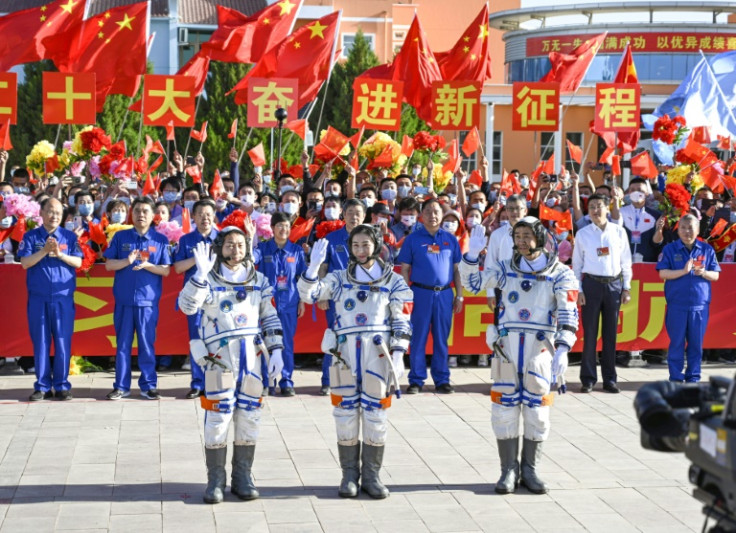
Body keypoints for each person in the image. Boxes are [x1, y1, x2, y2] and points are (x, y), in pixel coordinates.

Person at [460, 218, 578, 494]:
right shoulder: (504, 269)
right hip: (507, 347)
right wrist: (471, 256)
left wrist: (563, 348)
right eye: (517, 236)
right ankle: (508, 471)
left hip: (539, 349)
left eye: (527, 235)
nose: (521, 240)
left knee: (537, 411)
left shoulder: (560, 273)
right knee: (504, 410)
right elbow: (473, 285)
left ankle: (531, 470)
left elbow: (569, 312)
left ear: (539, 236)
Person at [298, 225, 412, 499]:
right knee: (345, 415)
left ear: (376, 245)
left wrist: (398, 354)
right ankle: (348, 476)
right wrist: (313, 269)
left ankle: (372, 476)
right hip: (345, 355)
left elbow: (402, 317)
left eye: (366, 244)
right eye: (356, 245)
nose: (361, 250)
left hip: (377, 353)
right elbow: (310, 294)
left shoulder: (393, 280)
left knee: (376, 415)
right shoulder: (338, 278)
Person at [178, 227, 283, 504]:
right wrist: (199, 275)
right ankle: (215, 480)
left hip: (251, 359)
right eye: (228, 245)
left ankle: (243, 477)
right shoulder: (208, 279)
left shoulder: (258, 280)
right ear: (219, 248)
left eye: (239, 245)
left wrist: (277, 351)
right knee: (218, 416)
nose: (234, 250)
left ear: (247, 248)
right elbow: (187, 307)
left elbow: (269, 316)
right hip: (219, 362)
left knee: (249, 416)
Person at [104, 197, 171, 400]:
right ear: (131, 214)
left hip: (147, 303)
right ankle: (121, 386)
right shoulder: (120, 237)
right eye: (137, 211)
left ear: (153, 216)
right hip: (124, 301)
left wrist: (147, 265)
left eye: (145, 211)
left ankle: (149, 385)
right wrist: (127, 261)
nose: (141, 215)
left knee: (146, 344)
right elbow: (108, 265)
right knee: (122, 345)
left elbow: (166, 271)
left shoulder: (160, 241)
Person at [18, 198, 83, 401]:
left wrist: (60, 254)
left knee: (63, 341)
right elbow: (25, 263)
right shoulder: (30, 237)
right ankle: (42, 386)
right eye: (50, 211)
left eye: (58, 212)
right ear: (42, 213)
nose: (54, 216)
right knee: (41, 342)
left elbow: (78, 261)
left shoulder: (70, 237)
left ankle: (62, 385)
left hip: (63, 298)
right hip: (39, 298)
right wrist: (44, 251)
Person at [397, 198, 463, 394]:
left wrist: (459, 295)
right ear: (421, 216)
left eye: (436, 212)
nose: (433, 216)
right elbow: (405, 269)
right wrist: (406, 295)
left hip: (444, 294)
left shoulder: (450, 239)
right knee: (418, 338)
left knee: (441, 339)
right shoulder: (413, 239)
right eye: (428, 212)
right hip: (420, 293)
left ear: (442, 215)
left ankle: (442, 379)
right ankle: (416, 379)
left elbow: (457, 270)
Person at [572, 194, 632, 394]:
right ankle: (588, 379)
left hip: (614, 286)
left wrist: (626, 287)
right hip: (591, 285)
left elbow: (626, 261)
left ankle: (610, 379)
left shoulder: (618, 232)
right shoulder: (583, 234)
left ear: (608, 208)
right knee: (589, 334)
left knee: (610, 334)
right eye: (592, 207)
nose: (596, 210)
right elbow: (577, 265)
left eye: (599, 206)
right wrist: (578, 290)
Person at [656, 214, 720, 382]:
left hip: (699, 306)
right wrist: (683, 271)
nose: (686, 231)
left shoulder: (707, 250)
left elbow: (716, 275)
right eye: (683, 227)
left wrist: (704, 273)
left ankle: (693, 378)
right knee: (676, 343)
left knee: (696, 345)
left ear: (698, 230)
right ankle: (676, 377)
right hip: (677, 305)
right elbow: (663, 273)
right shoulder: (669, 249)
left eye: (691, 227)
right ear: (678, 230)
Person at [317, 197, 367, 395]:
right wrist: (322, 295)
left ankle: (358, 379)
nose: (354, 217)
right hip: (337, 297)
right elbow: (323, 267)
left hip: (363, 299)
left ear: (364, 216)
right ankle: (328, 380)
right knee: (334, 338)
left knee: (361, 340)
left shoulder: (370, 237)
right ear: (343, 215)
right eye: (350, 213)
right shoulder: (331, 239)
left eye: (358, 213)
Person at [255, 212, 307, 396]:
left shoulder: (297, 251)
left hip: (289, 303)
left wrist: (302, 301)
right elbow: (250, 262)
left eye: (286, 226)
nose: (283, 229)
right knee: (264, 342)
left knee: (286, 343)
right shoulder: (262, 248)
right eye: (279, 226)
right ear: (272, 228)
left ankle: (286, 381)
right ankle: (267, 381)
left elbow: (302, 278)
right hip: (266, 305)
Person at [173, 199, 219, 399]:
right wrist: (197, 260)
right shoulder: (186, 240)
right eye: (200, 214)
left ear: (214, 216)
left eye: (208, 214)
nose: (205, 218)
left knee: (217, 341)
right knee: (196, 340)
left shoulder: (222, 239)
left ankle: (214, 384)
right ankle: (198, 383)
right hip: (194, 299)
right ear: (194, 217)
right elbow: (177, 267)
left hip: (218, 298)